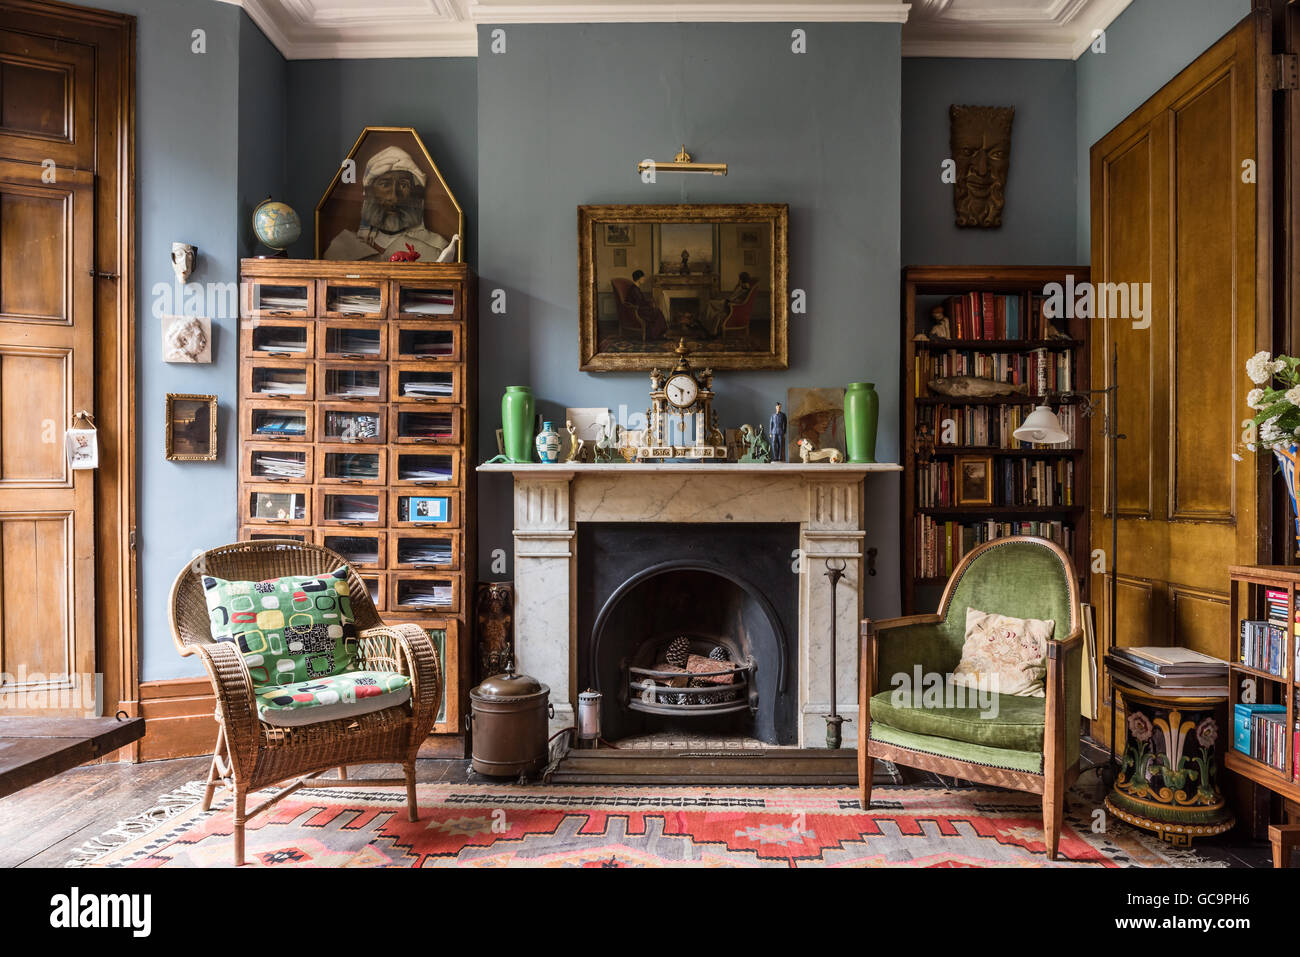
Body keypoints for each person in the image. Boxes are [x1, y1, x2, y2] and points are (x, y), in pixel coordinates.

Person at [324, 145, 451, 262]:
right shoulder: (342, 247)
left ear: (414, 194)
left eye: (403, 185)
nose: (394, 197)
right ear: (369, 193)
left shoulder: (437, 248)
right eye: (385, 184)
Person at [624, 270, 669, 339]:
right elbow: (639, 302)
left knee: (656, 311)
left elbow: (641, 301)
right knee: (657, 312)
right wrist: (649, 304)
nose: (644, 279)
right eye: (643, 278)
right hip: (637, 311)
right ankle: (658, 335)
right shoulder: (634, 289)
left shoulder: (636, 288)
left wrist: (649, 303)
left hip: (641, 309)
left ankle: (657, 334)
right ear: (638, 279)